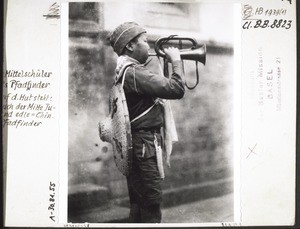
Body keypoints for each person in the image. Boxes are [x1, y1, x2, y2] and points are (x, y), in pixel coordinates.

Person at [109, 22, 185, 223]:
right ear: (130, 46)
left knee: (139, 202)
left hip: (139, 144)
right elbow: (176, 89)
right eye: (144, 41)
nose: (149, 46)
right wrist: (177, 61)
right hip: (144, 145)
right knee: (150, 203)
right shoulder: (134, 72)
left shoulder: (126, 70)